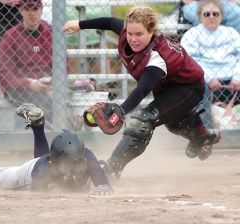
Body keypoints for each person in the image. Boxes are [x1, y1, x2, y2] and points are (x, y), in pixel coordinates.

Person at [63, 6, 221, 179]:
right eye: (130, 33)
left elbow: (142, 90)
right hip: (166, 86)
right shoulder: (126, 32)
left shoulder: (156, 57)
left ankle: (112, 168)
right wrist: (79, 24)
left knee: (143, 119)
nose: (133, 39)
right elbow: (108, 22)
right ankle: (203, 137)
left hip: (188, 87)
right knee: (173, 123)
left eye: (139, 34)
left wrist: (121, 111)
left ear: (151, 32)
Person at [0, 103, 113, 194]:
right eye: (68, 164)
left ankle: (37, 125)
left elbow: (105, 186)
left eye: (76, 162)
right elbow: (42, 199)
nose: (75, 166)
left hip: (46, 161)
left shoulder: (87, 155)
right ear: (54, 161)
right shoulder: (42, 171)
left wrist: (102, 187)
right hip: (27, 174)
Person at [181, 0, 240, 129]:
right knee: (198, 87)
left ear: (222, 15)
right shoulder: (191, 35)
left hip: (232, 77)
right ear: (200, 15)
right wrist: (209, 77)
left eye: (215, 13)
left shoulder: (231, 33)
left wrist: (237, 77)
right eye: (207, 14)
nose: (211, 16)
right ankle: (207, 131)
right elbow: (192, 62)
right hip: (206, 79)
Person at [0, 0, 54, 122]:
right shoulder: (10, 36)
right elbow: (5, 74)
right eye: (27, 9)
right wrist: (29, 84)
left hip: (47, 86)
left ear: (41, 10)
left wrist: (55, 85)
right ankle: (26, 137)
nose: (31, 14)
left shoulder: (51, 32)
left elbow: (62, 65)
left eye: (35, 9)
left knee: (52, 99)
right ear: (21, 11)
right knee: (34, 101)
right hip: (21, 88)